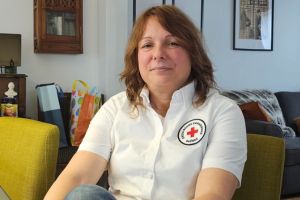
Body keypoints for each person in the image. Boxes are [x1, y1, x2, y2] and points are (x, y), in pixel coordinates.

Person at [44, 5, 247, 200]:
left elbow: (212, 195)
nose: (158, 54)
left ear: (193, 52)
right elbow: (77, 175)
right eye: (147, 45)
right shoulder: (115, 108)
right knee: (84, 195)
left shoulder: (223, 112)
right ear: (136, 57)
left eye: (172, 43)